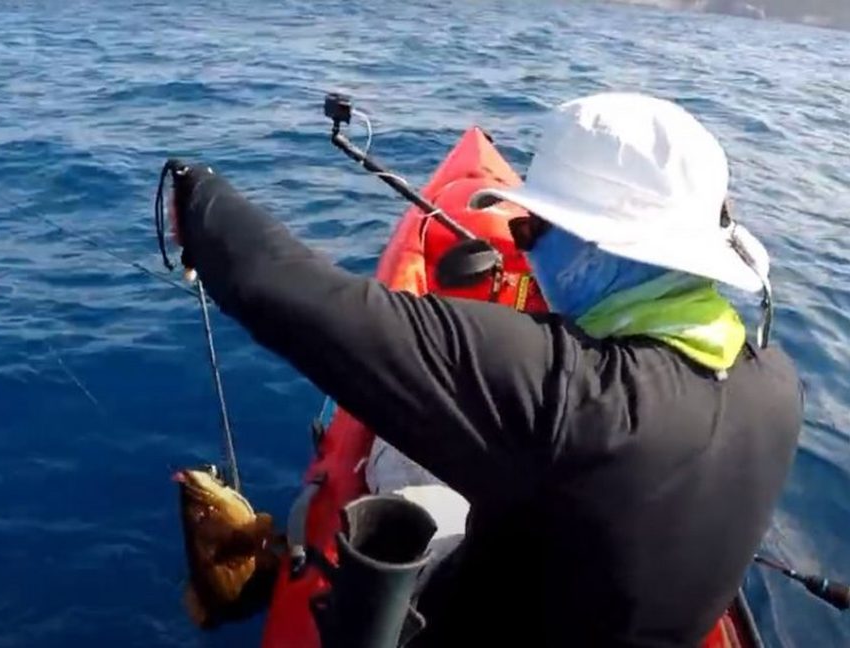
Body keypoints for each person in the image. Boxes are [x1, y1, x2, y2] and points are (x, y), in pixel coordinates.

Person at [164, 92, 803, 647]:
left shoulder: (571, 395)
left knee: (395, 461)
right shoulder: (777, 383)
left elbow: (311, 303)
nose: (523, 244)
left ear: (602, 243)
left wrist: (199, 198)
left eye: (531, 229)